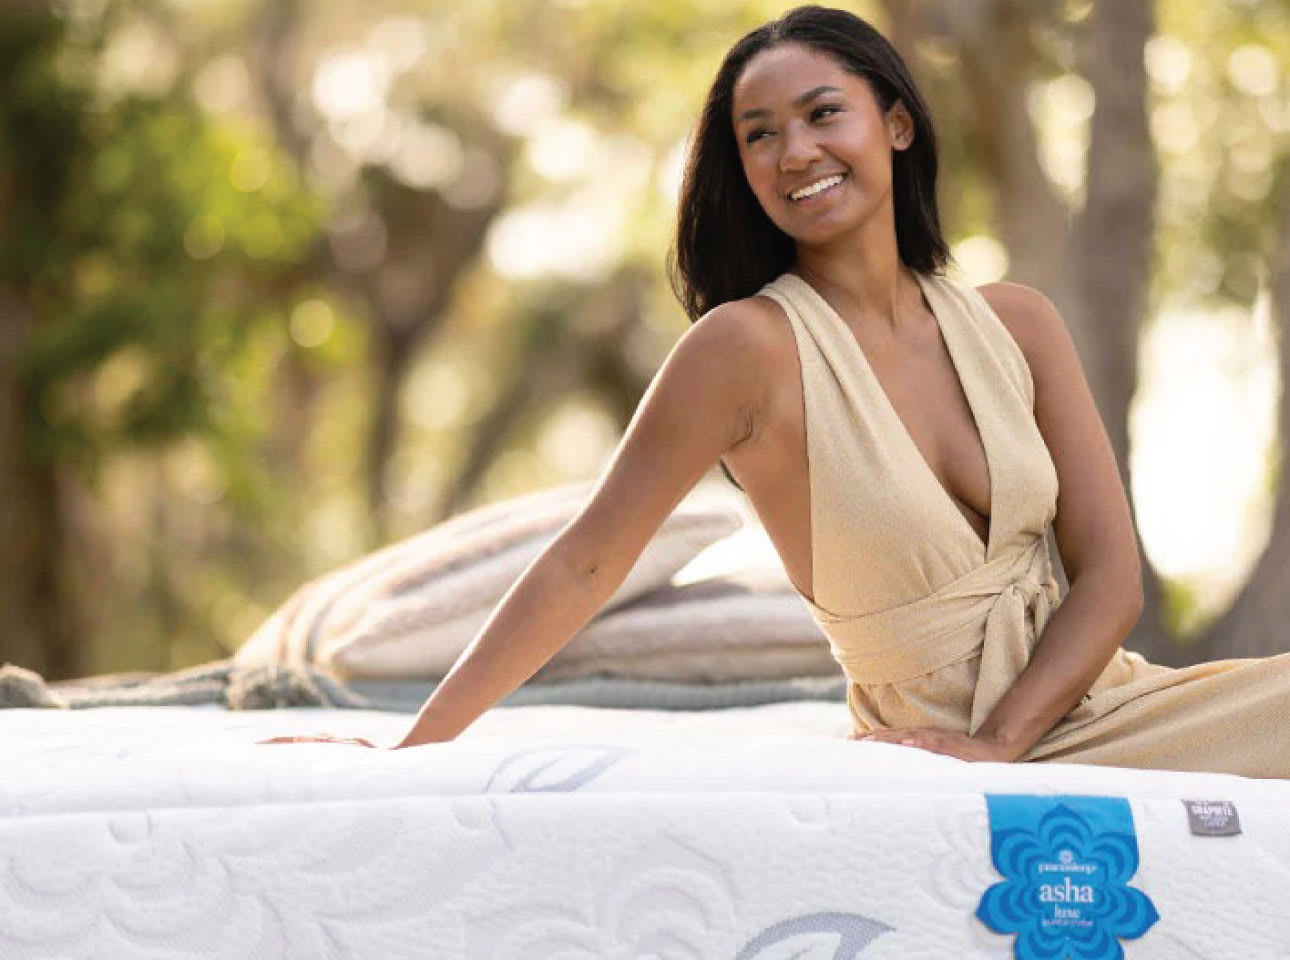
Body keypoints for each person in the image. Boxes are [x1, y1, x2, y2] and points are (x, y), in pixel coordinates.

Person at [262, 5, 1290, 777]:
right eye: (759, 133)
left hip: (1086, 710)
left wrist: (1003, 745)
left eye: (821, 113)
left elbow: (1111, 578)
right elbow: (586, 562)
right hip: (926, 741)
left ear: (896, 125)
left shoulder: (1018, 324)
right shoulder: (744, 350)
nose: (795, 151)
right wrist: (413, 750)